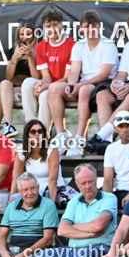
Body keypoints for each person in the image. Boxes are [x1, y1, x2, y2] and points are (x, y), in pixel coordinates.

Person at [49, 10, 118, 158]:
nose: (90, 30)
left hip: (103, 85)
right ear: (81, 29)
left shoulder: (108, 44)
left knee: (84, 89)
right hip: (83, 84)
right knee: (54, 87)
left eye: (93, 26)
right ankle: (61, 134)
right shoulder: (79, 45)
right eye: (86, 27)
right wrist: (72, 83)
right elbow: (74, 71)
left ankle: (79, 139)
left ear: (99, 27)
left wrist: (79, 85)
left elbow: (104, 74)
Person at [22, 8, 74, 131]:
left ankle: (42, 132)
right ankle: (31, 127)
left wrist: (45, 87)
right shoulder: (41, 46)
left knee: (45, 94)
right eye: (48, 26)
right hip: (50, 84)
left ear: (61, 25)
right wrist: (42, 84)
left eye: (55, 25)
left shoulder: (72, 45)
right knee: (28, 82)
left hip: (64, 87)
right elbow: (46, 76)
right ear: (44, 28)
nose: (52, 29)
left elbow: (67, 78)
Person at [0, 18, 38, 137]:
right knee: (4, 84)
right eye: (22, 34)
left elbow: (37, 77)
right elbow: (8, 77)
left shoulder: (38, 50)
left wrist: (30, 57)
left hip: (29, 88)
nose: (25, 37)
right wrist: (14, 58)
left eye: (28, 34)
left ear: (34, 34)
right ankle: (8, 125)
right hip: (12, 88)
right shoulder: (12, 51)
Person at [11, 119, 66, 206]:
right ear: (28, 135)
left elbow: (53, 180)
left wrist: (51, 204)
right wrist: (11, 202)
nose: (37, 134)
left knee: (33, 201)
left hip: (53, 190)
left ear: (44, 134)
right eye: (33, 132)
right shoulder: (22, 151)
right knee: (15, 200)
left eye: (40, 131)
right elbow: (16, 179)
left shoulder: (52, 150)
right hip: (32, 190)